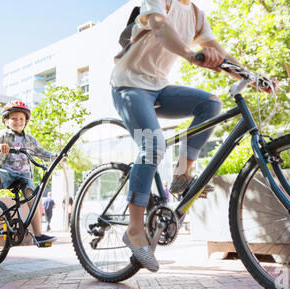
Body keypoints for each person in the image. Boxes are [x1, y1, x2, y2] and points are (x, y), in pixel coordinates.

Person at [110, 0, 277, 272]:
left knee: (210, 104)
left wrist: (254, 77)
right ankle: (135, 230)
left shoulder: (197, 15)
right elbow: (160, 27)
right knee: (152, 146)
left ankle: (181, 174)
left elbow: (219, 53)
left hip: (159, 88)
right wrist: (190, 54)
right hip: (128, 85)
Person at [0, 100, 58, 245]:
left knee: (33, 200)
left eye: (21, 119)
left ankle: (39, 235)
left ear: (26, 121)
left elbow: (42, 153)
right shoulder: (4, 134)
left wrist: (56, 156)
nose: (18, 121)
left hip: (24, 176)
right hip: (6, 172)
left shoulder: (30, 139)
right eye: (14, 119)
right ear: (6, 121)